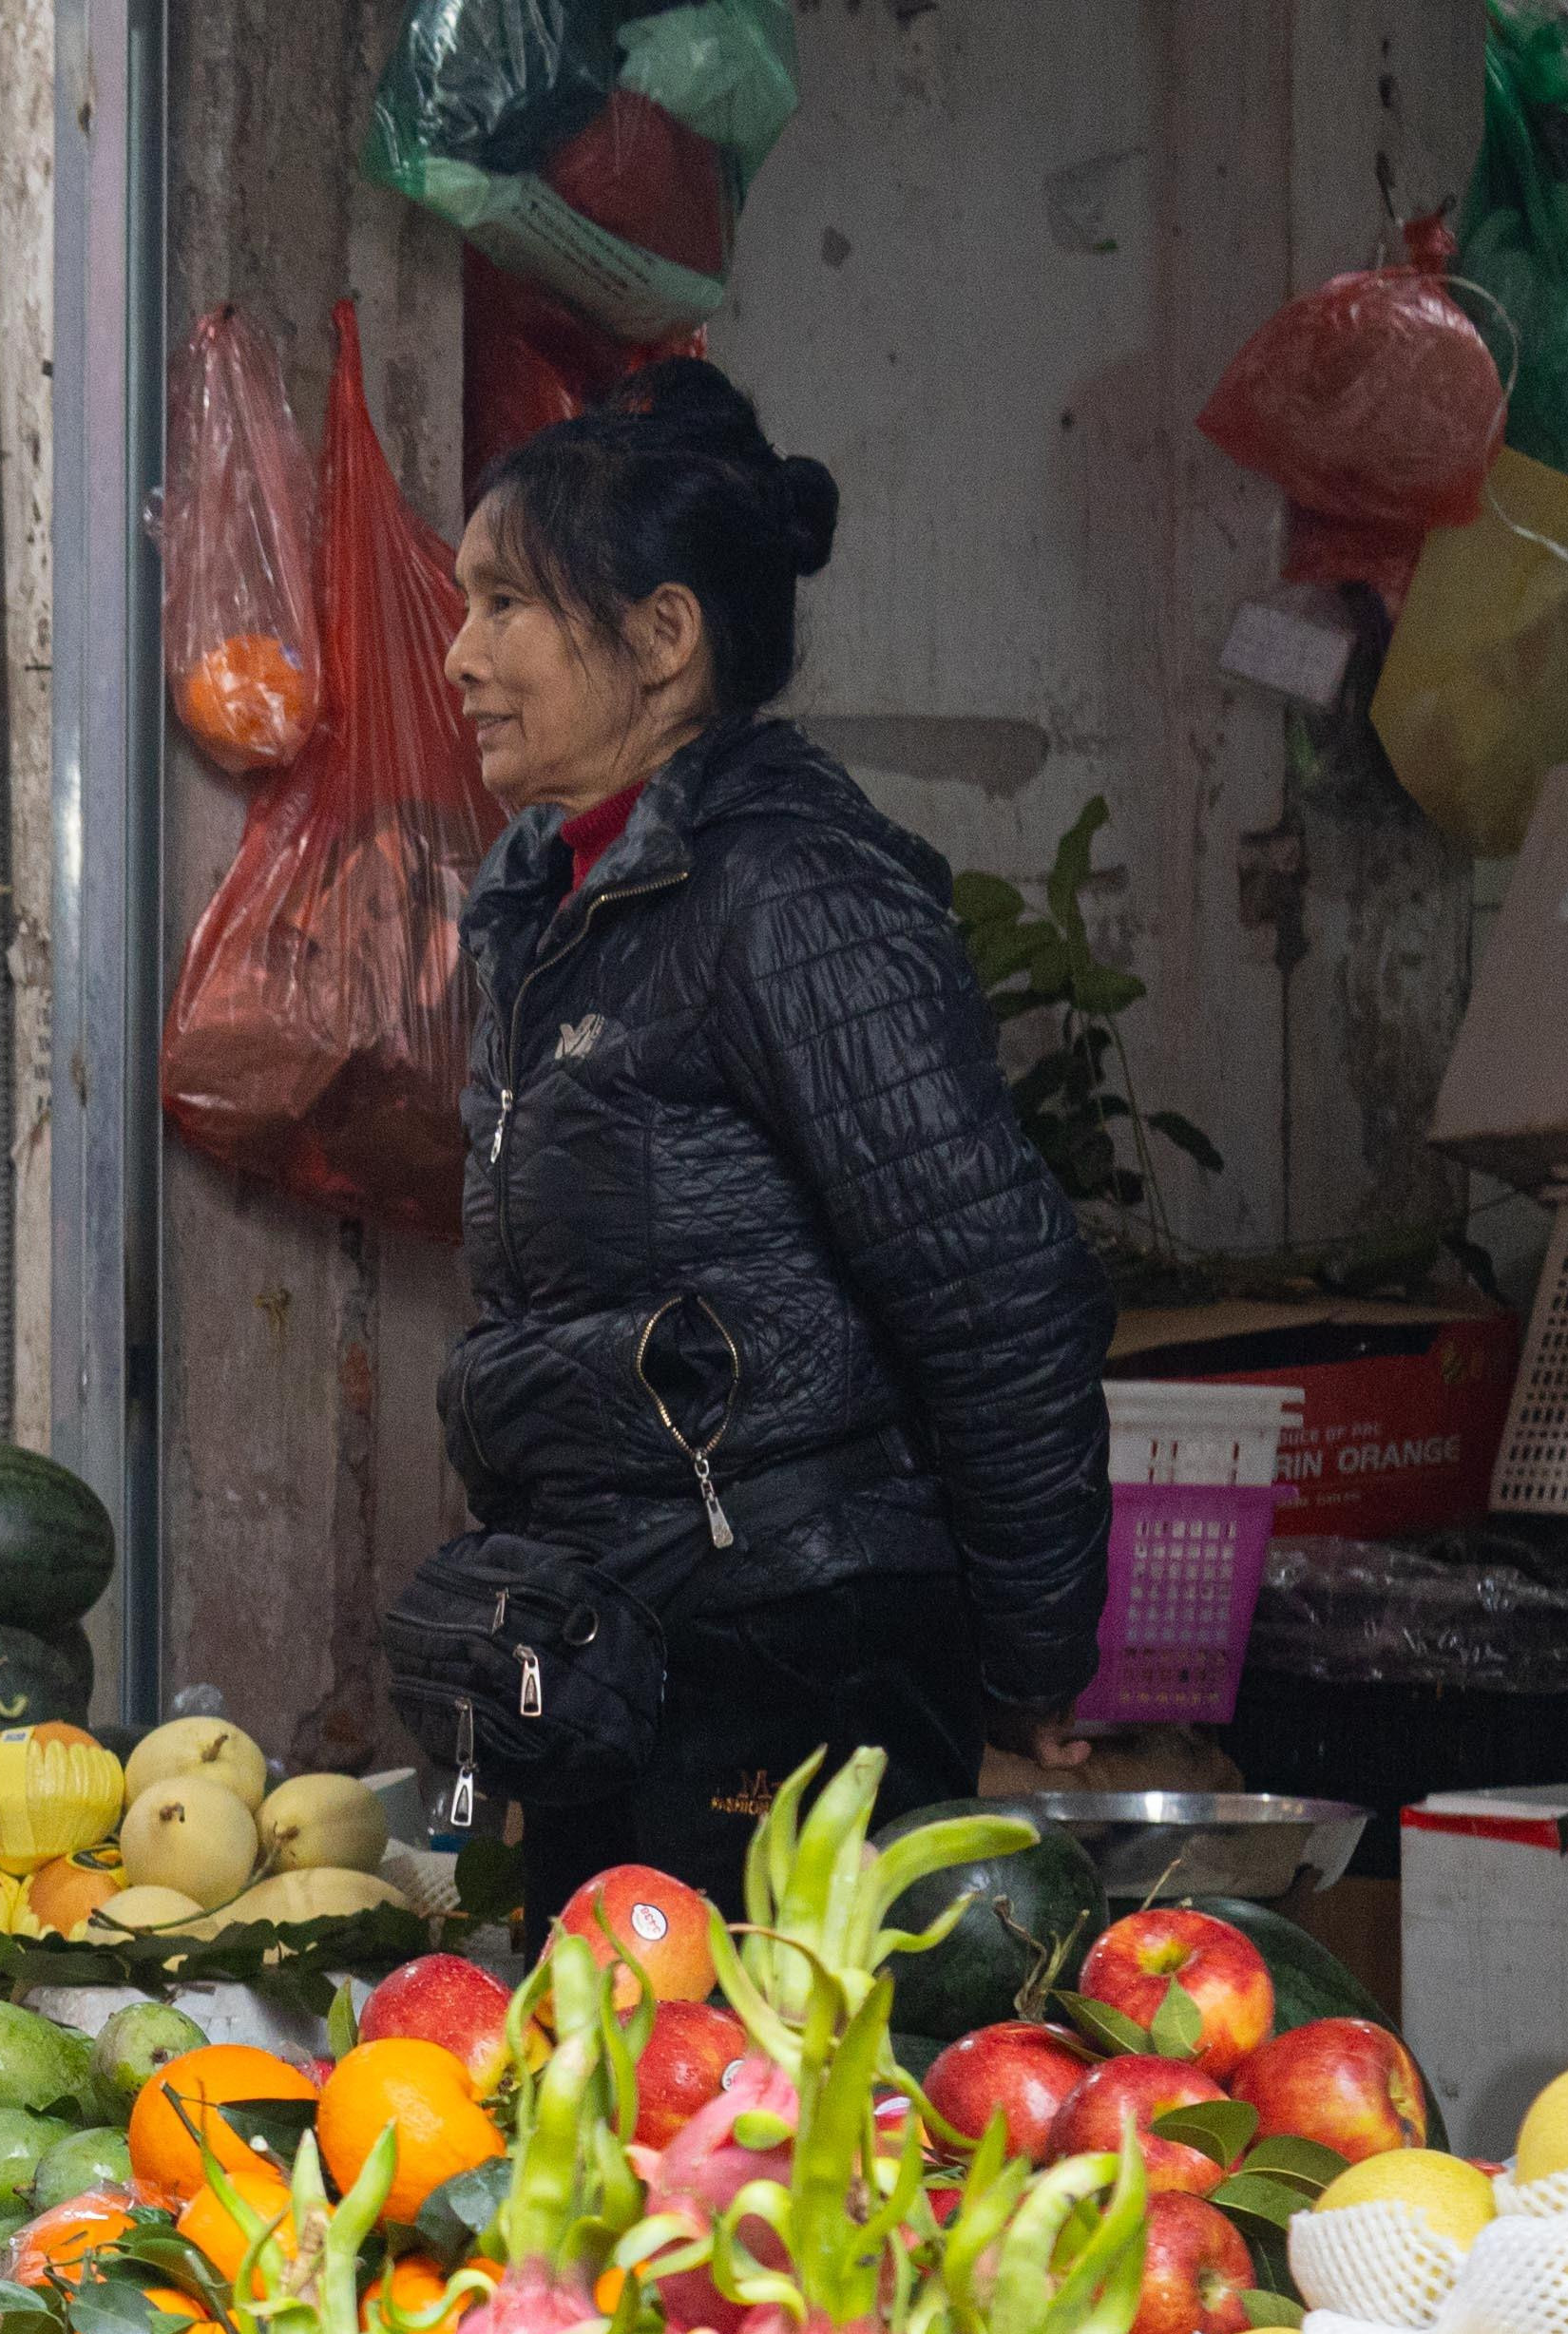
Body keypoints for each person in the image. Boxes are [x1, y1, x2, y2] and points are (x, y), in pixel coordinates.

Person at [424, 362, 1111, 1910]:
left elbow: (994, 1289)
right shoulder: (552, 908)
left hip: (797, 1656)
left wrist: (1027, 1669)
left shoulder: (792, 900)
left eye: (504, 606)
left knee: (742, 2126)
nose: (459, 655)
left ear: (661, 639)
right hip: (626, 1641)